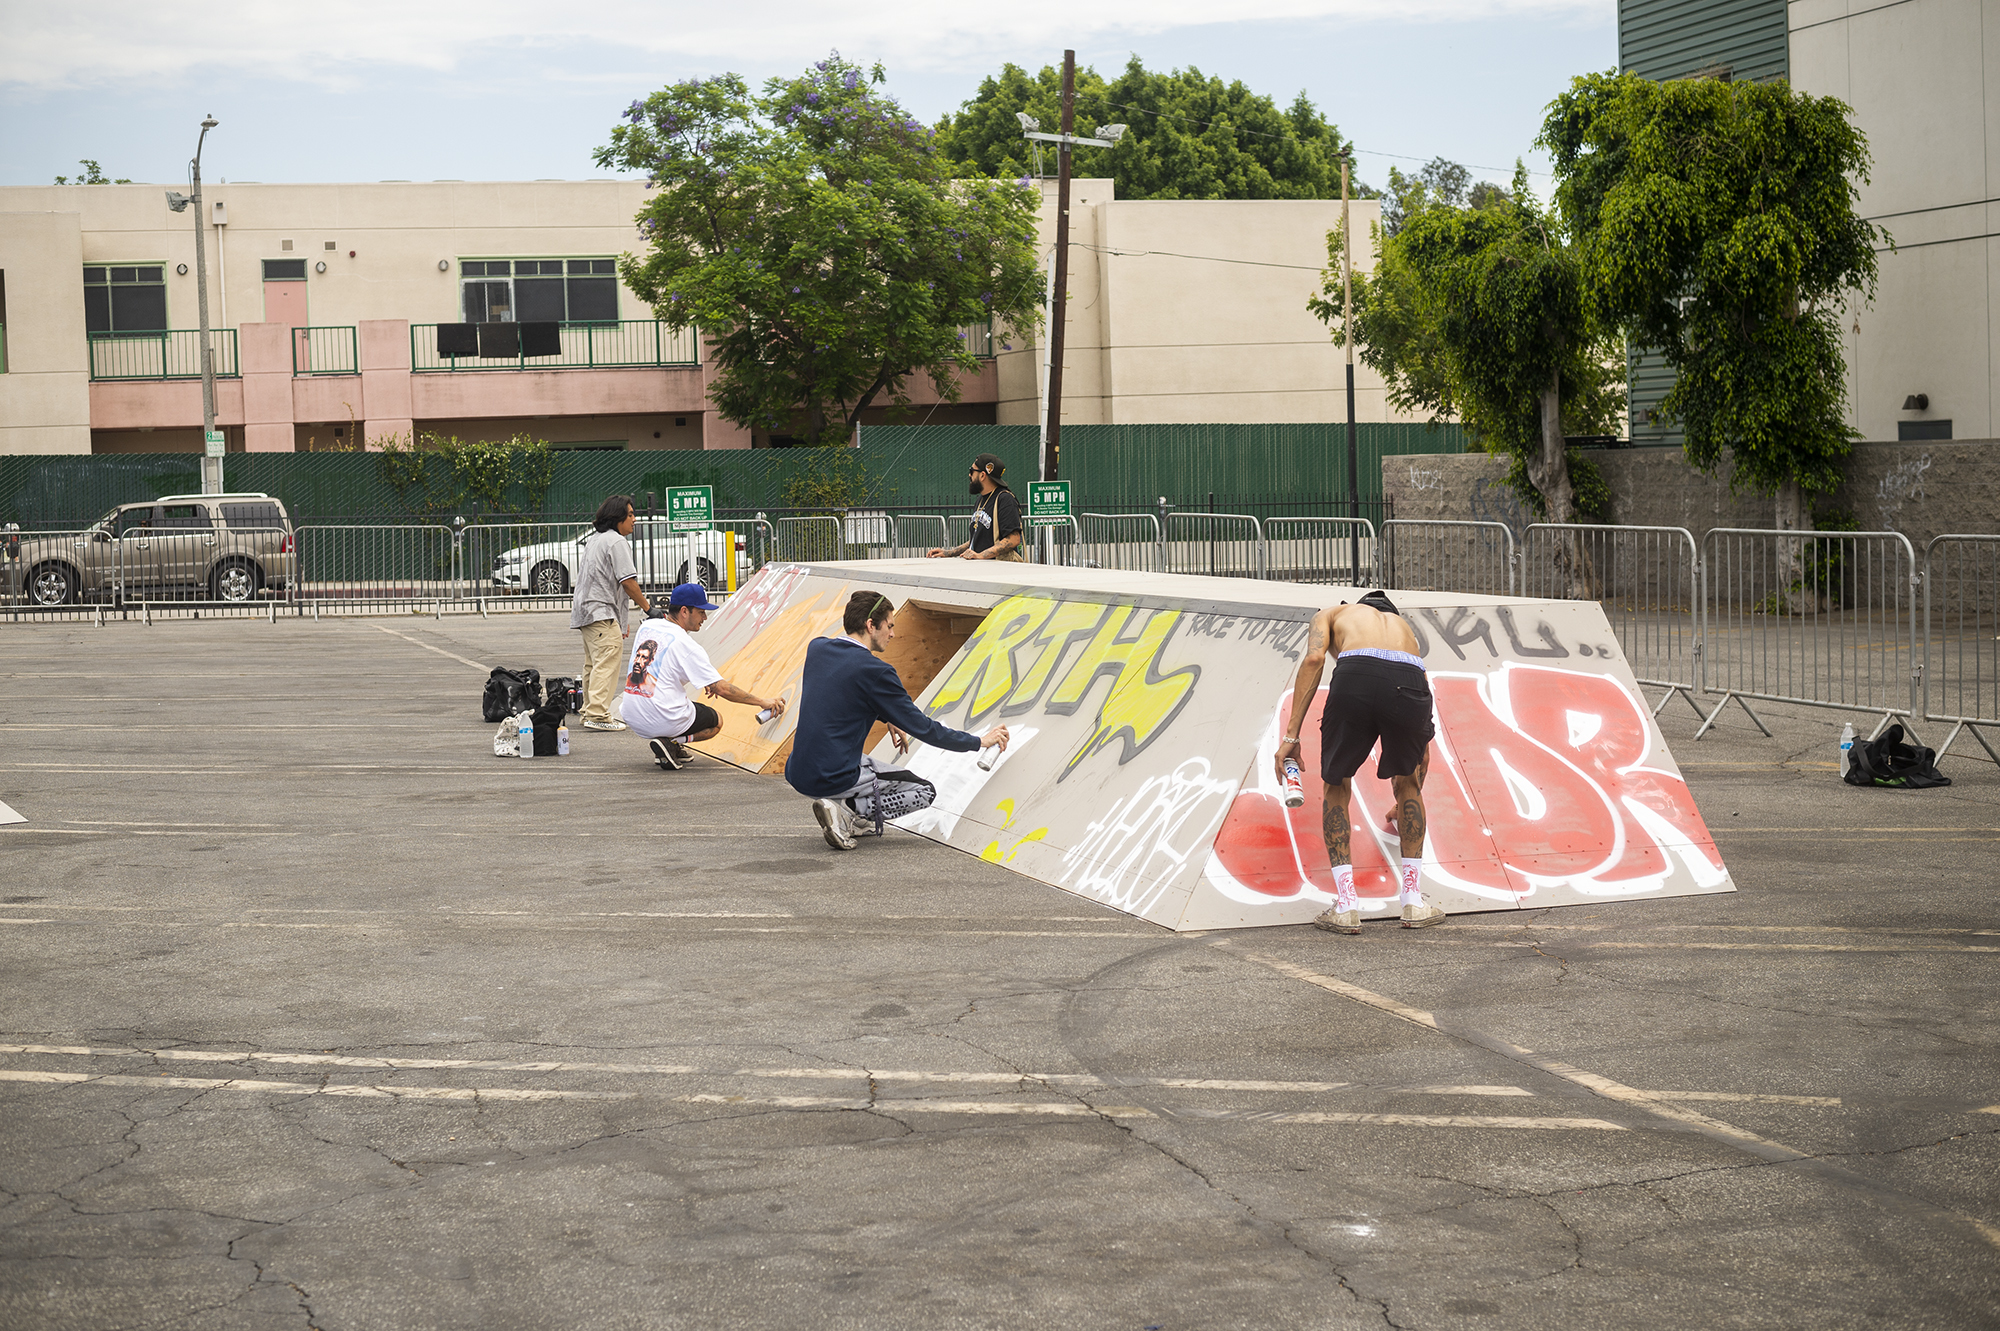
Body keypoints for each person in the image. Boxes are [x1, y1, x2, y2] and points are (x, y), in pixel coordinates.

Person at [1273, 589, 1446, 934]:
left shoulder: (1333, 614)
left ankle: (1347, 905)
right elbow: (1424, 746)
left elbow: (1313, 660)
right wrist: (1408, 793)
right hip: (1410, 680)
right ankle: (1413, 902)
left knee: (1336, 783)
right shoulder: (1404, 630)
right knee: (1408, 782)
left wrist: (1291, 738)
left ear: (1352, 607)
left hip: (1357, 676)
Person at [786, 590, 1010, 851]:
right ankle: (846, 811)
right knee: (924, 791)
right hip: (833, 775)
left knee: (855, 760)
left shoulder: (818, 648)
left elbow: (840, 694)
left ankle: (854, 819)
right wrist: (979, 741)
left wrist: (886, 716)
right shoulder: (875, 671)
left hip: (799, 771)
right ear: (871, 625)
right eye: (889, 626)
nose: (892, 634)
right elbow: (925, 729)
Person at [622, 583, 785, 770]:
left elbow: (663, 662)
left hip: (632, 715)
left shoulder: (647, 627)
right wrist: (762, 702)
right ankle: (672, 742)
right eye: (701, 612)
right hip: (661, 717)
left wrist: (706, 680)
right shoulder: (687, 645)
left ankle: (669, 746)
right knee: (716, 721)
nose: (705, 618)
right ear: (685, 611)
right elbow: (723, 689)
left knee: (681, 697)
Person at [571, 494, 651, 732]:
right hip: (600, 609)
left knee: (593, 664)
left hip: (587, 611)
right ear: (617, 518)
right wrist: (649, 608)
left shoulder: (596, 540)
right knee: (608, 660)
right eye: (630, 515)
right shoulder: (616, 542)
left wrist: (621, 620)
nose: (634, 519)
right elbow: (628, 582)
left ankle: (588, 710)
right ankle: (597, 713)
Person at [926, 453, 1024, 562]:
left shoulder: (1005, 499)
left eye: (972, 471)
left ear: (982, 475)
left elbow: (1013, 539)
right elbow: (976, 540)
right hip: (982, 570)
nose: (969, 475)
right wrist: (949, 552)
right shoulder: (981, 500)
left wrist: (981, 555)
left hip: (998, 573)